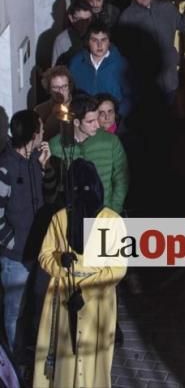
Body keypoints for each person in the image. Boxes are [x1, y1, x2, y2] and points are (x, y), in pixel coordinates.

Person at [33, 159, 126, 388]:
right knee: (65, 357)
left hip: (97, 302)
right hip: (63, 295)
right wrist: (59, 262)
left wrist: (85, 292)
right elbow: (45, 254)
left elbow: (117, 267)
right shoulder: (60, 218)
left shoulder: (111, 221)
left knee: (93, 359)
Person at [0, 111, 56, 355]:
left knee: (38, 305)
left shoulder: (36, 158)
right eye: (41, 129)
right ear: (34, 134)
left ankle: (35, 350)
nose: (44, 133)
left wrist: (46, 167)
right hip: (16, 258)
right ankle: (14, 359)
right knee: (15, 312)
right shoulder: (5, 168)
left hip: (40, 251)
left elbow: (51, 196)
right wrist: (14, 244)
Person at [117, 0, 185, 106]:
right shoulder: (126, 17)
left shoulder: (167, 8)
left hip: (169, 76)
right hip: (145, 80)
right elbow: (125, 51)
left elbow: (183, 26)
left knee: (168, 115)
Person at [49, 94, 129, 214]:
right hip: (71, 219)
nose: (97, 125)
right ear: (76, 122)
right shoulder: (56, 146)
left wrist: (113, 211)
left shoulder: (111, 141)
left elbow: (121, 178)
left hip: (104, 215)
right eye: (90, 121)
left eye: (97, 119)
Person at [68, 22, 132, 118]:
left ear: (109, 41)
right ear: (88, 41)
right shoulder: (76, 63)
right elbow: (70, 93)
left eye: (103, 40)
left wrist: (117, 115)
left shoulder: (121, 64)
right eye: (94, 40)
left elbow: (130, 96)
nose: (99, 45)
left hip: (113, 122)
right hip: (85, 120)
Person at [35, 65, 75, 140]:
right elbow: (41, 138)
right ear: (49, 89)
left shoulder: (79, 105)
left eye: (64, 86)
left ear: (69, 86)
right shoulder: (40, 110)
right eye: (56, 88)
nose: (60, 91)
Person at [51, 0, 93, 66]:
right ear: (71, 18)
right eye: (80, 20)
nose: (83, 24)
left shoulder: (96, 36)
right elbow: (56, 71)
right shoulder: (62, 40)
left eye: (87, 20)